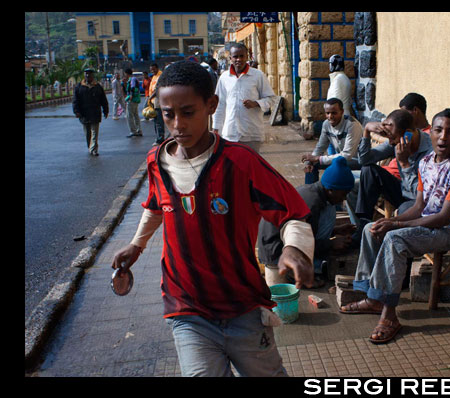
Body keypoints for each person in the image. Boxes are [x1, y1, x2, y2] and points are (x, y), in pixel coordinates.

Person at [111, 60, 315, 377]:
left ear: (211, 105)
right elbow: (155, 205)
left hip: (243, 307)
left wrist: (295, 248)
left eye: (188, 112)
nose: (177, 123)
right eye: (168, 114)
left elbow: (292, 212)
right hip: (186, 307)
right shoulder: (156, 162)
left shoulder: (241, 162)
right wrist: (136, 246)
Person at [339, 108, 450, 344]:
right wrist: (391, 221)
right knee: (370, 228)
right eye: (438, 130)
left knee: (395, 239)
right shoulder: (426, 162)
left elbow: (444, 218)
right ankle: (372, 296)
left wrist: (394, 226)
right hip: (429, 225)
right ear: (431, 131)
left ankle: (389, 315)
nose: (443, 137)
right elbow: (418, 207)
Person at [258, 156, 357, 288]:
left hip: (282, 242)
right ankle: (293, 274)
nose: (344, 199)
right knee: (323, 268)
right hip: (276, 253)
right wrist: (331, 243)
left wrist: (336, 230)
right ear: (331, 190)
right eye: (343, 194)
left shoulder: (316, 193)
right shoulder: (312, 202)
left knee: (329, 209)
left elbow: (308, 228)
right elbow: (301, 238)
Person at [355, 108, 432, 225]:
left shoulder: (430, 151)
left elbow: (422, 195)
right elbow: (364, 160)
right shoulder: (397, 139)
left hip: (419, 200)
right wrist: (366, 131)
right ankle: (363, 224)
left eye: (392, 138)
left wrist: (404, 164)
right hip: (402, 189)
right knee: (368, 170)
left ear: (408, 134)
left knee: (404, 209)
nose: (390, 142)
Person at [213, 42, 277, 153]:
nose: (239, 59)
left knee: (251, 167)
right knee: (232, 168)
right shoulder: (224, 78)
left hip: (252, 134)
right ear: (230, 58)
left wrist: (256, 103)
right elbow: (219, 104)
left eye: (242, 56)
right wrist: (215, 129)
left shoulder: (258, 76)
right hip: (230, 134)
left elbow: (271, 99)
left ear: (247, 57)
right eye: (235, 56)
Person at [301, 98, 362, 184]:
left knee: (322, 163)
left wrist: (318, 158)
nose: (330, 116)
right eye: (327, 113)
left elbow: (347, 155)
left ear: (342, 112)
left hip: (357, 161)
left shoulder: (352, 125)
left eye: (334, 113)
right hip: (341, 160)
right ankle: (310, 192)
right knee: (312, 164)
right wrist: (309, 161)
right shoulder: (326, 124)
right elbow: (320, 147)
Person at [72, 68, 109, 156]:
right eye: (86, 74)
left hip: (95, 113)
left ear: (92, 76)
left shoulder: (97, 87)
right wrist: (76, 111)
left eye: (89, 74)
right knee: (88, 133)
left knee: (94, 132)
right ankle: (90, 147)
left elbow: (103, 100)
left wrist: (105, 110)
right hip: (84, 114)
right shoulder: (79, 87)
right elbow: (75, 100)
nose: (88, 76)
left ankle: (94, 149)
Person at [147, 63, 166, 146]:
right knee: (155, 120)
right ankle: (158, 137)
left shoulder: (160, 76)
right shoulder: (154, 76)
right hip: (153, 101)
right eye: (151, 70)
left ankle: (160, 139)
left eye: (154, 69)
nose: (152, 71)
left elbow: (157, 89)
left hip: (158, 101)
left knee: (159, 121)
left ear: (157, 68)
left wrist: (150, 97)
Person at [124, 68, 142, 137]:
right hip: (135, 100)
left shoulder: (132, 79)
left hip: (131, 100)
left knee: (130, 116)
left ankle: (133, 131)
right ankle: (139, 130)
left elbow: (132, 87)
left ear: (126, 73)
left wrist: (131, 95)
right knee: (136, 115)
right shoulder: (133, 79)